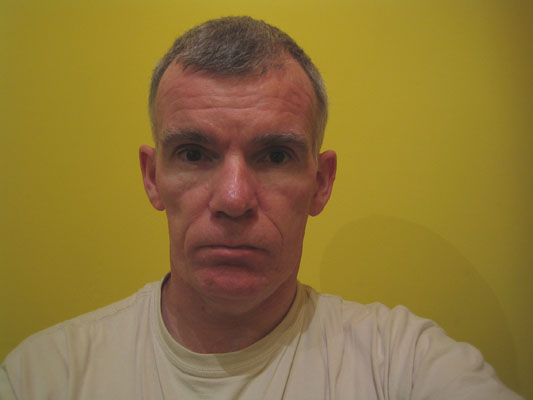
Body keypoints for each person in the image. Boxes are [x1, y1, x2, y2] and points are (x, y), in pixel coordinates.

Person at [0, 16, 522, 400]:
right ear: (152, 177)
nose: (233, 200)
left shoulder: (402, 365)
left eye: (274, 156)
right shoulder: (43, 378)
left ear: (320, 183)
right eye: (194, 154)